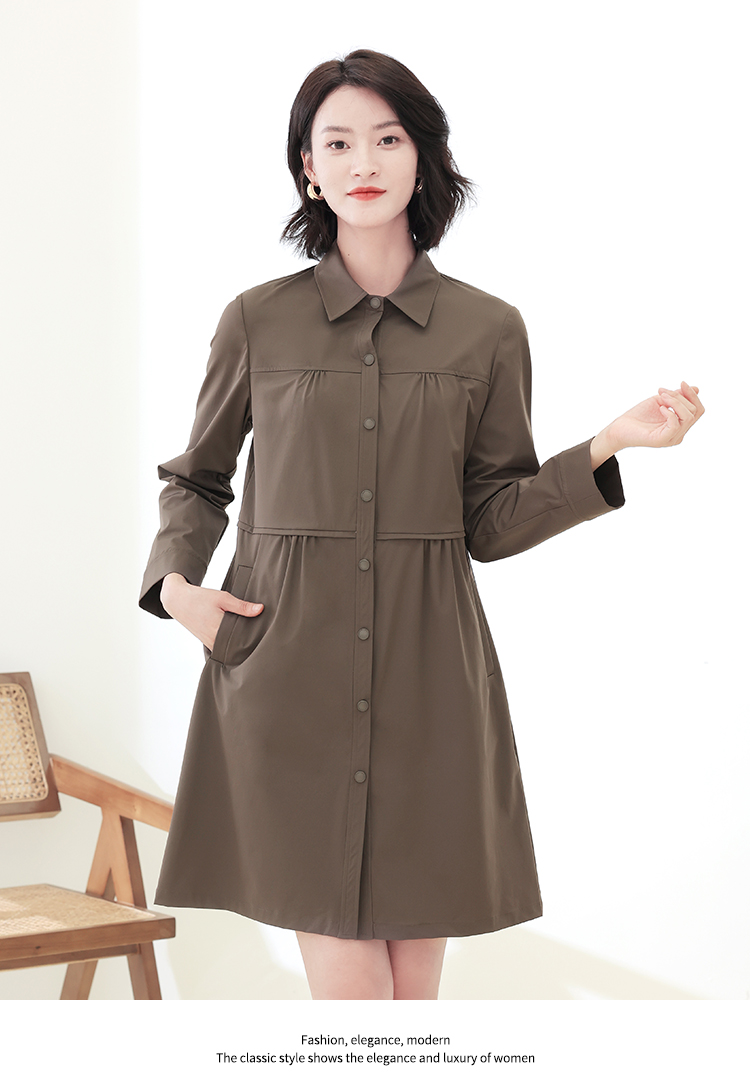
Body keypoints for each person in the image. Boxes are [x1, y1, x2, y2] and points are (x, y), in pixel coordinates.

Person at [139, 49, 704, 1001]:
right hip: (285, 674)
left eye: (388, 138)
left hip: (430, 680)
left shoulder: (489, 328)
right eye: (337, 143)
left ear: (423, 158)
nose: (363, 161)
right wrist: (177, 590)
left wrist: (607, 445)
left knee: (412, 996)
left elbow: (491, 518)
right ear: (308, 168)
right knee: (356, 992)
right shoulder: (256, 321)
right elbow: (196, 478)